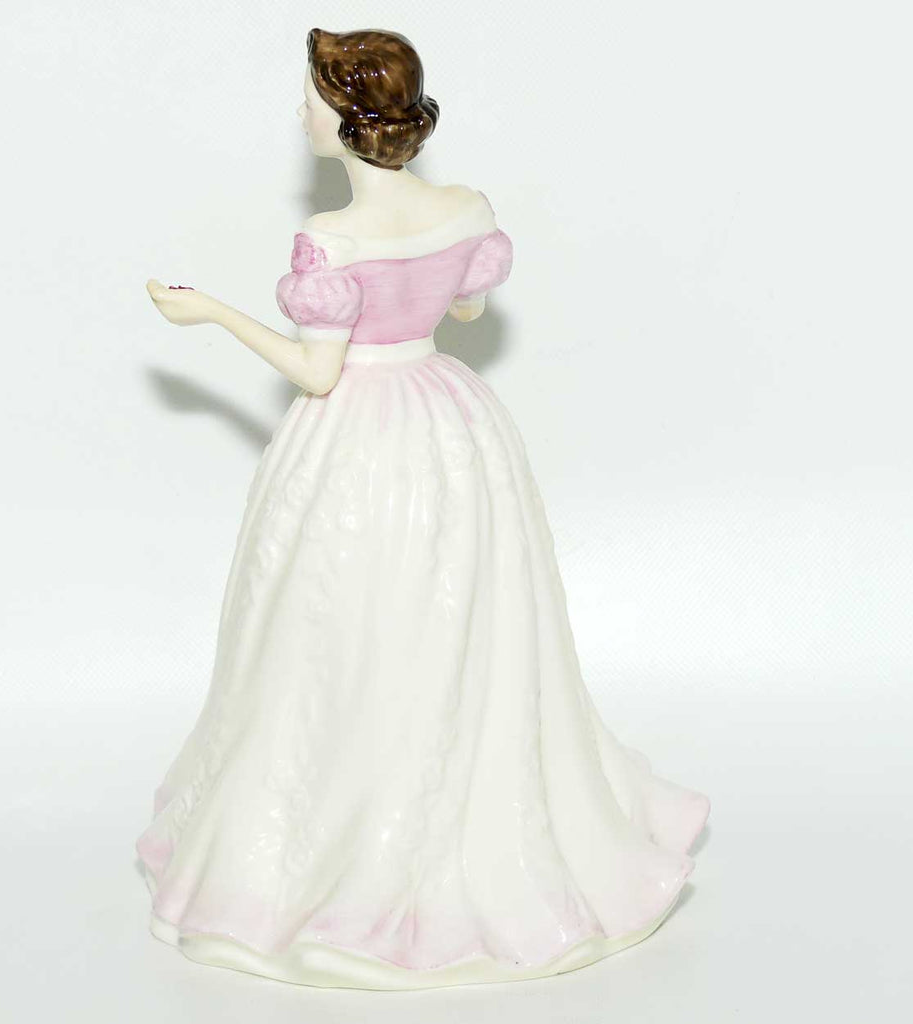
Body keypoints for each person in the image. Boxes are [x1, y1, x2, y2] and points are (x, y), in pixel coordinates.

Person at [139, 26, 709, 990]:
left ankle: (353, 837)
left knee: (343, 619)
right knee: (455, 617)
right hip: (451, 424)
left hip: (359, 435)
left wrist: (217, 314)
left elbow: (318, 373)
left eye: (309, 100)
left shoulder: (330, 240)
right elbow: (469, 313)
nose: (299, 115)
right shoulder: (467, 209)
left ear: (345, 117)